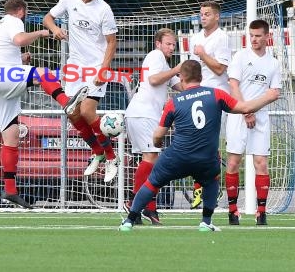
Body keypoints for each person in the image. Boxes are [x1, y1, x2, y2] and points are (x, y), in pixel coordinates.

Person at [118, 60, 279, 232]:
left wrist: (158, 143)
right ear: (201, 77)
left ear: (181, 79)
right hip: (206, 159)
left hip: (177, 157)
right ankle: (206, 222)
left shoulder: (174, 101)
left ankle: (129, 221)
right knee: (212, 180)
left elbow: (158, 135)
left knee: (152, 183)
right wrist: (268, 97)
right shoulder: (217, 95)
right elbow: (245, 107)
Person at [0, 0, 88, 209]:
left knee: (10, 137)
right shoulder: (13, 21)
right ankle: (67, 103)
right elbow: (19, 40)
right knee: (44, 74)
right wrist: (41, 32)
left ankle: (10, 190)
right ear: (21, 10)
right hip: (1, 76)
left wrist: (19, 61)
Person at [43, 0, 119, 183]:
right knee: (72, 113)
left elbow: (112, 42)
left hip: (96, 66)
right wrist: (55, 29)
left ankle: (112, 158)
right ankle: (98, 151)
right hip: (75, 66)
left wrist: (104, 69)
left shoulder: (104, 9)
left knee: (86, 110)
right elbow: (48, 18)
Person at [224, 19, 281, 226]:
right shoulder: (240, 56)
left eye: (258, 36)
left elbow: (274, 93)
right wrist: (246, 110)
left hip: (261, 119)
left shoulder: (273, 63)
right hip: (238, 116)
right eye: (252, 35)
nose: (254, 39)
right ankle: (232, 211)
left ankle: (261, 212)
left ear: (267, 37)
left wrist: (254, 109)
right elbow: (233, 85)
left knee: (261, 164)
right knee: (233, 163)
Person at [124, 28, 182, 225]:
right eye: (168, 43)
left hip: (142, 115)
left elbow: (181, 86)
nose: (171, 47)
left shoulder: (164, 63)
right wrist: (177, 69)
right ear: (158, 44)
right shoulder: (156, 56)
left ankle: (146, 208)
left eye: (173, 44)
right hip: (143, 113)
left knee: (152, 161)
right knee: (152, 159)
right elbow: (154, 79)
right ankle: (136, 202)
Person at [188, 0, 231, 209]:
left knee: (210, 144)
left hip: (214, 96)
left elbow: (221, 69)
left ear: (216, 17)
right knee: (197, 143)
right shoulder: (195, 38)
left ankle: (208, 185)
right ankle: (201, 185)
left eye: (207, 14)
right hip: (196, 95)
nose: (202, 17)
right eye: (201, 14)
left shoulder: (222, 38)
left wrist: (203, 54)